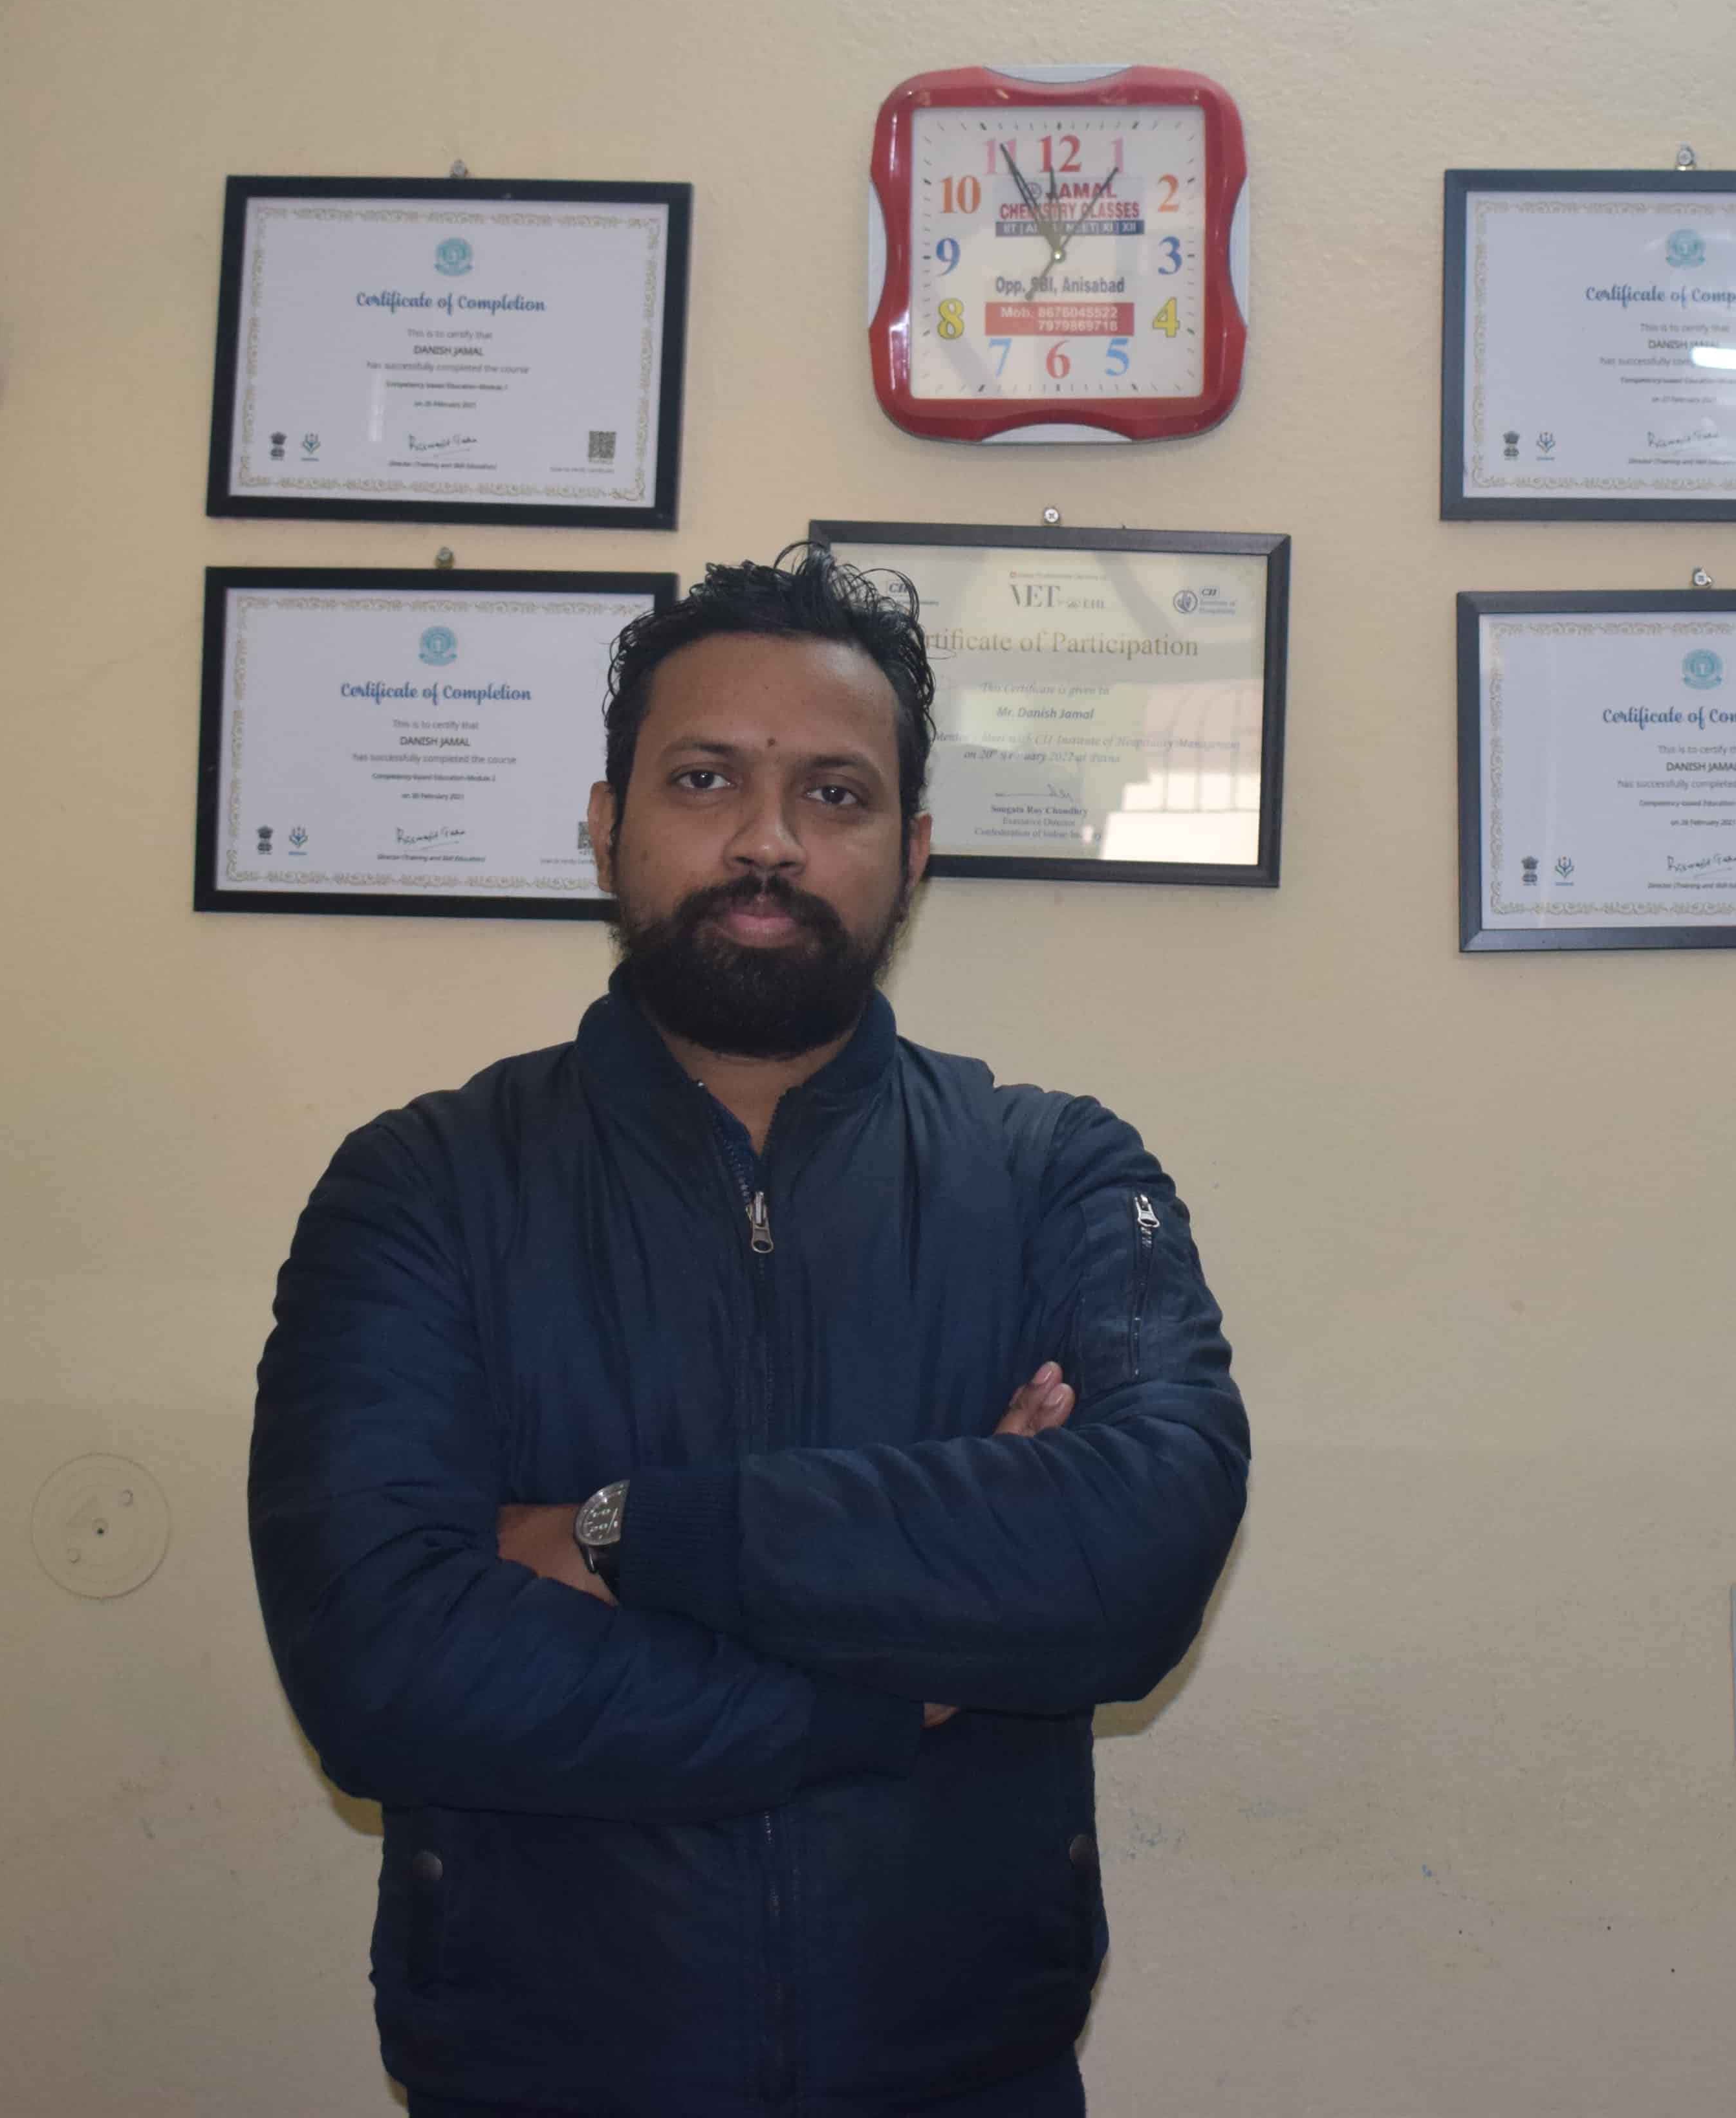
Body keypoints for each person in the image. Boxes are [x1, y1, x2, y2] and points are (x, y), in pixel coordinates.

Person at [248, 544, 1250, 2118]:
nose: (769, 840)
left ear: (913, 851)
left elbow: (1137, 1554)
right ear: (606, 824)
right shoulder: (426, 1184)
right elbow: (383, 1663)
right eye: (705, 777)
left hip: (967, 2075)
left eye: (836, 794)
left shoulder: (1054, 1169)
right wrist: (885, 1686)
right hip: (537, 2079)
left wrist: (615, 1531)